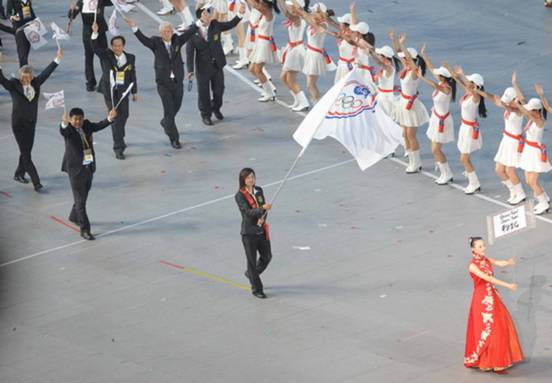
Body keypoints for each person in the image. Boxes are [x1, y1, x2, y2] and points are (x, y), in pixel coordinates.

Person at [126, 17, 198, 149]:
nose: (167, 33)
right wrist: (135, 28)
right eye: (165, 31)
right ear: (160, 33)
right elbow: (144, 40)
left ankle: (165, 122)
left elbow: (189, 33)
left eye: (169, 31)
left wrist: (199, 22)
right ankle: (174, 138)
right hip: (163, 83)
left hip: (177, 82)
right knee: (169, 111)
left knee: (176, 106)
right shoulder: (155, 43)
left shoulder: (177, 41)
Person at [0, 48, 63, 191]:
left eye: (28, 77)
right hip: (18, 125)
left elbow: (47, 73)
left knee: (26, 151)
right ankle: (36, 182)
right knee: (27, 155)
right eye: (23, 77)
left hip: (31, 123)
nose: (25, 79)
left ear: (32, 77)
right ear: (20, 76)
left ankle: (19, 173)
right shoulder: (13, 85)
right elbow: (1, 80)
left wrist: (57, 59)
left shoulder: (36, 84)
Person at [464, 237, 523, 374]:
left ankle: (496, 360)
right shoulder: (472, 266)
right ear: (473, 249)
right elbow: (488, 278)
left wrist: (508, 262)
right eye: (479, 246)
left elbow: (498, 262)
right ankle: (488, 361)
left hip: (492, 296)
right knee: (488, 329)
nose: (483, 248)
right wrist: (508, 285)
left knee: (500, 326)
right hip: (482, 300)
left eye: (483, 245)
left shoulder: (486, 260)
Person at [60, 107, 117, 240]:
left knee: (83, 195)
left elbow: (98, 126)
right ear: (70, 119)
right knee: (81, 203)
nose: (78, 122)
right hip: (75, 171)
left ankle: (73, 216)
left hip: (89, 167)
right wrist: (63, 123)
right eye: (75, 119)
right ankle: (85, 230)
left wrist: (109, 118)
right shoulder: (69, 130)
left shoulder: (87, 125)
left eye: (80, 119)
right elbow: (63, 130)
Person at [186, 2, 245, 125]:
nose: (209, 14)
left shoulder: (215, 25)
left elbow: (231, 24)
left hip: (217, 66)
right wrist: (190, 70)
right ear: (201, 15)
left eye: (210, 12)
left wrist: (240, 14)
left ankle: (216, 107)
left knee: (219, 91)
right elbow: (190, 53)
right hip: (202, 69)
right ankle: (205, 114)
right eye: (206, 12)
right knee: (204, 93)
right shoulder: (192, 31)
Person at [91, 22, 137, 160]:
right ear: (112, 46)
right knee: (115, 118)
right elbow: (94, 48)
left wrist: (134, 92)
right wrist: (95, 33)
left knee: (125, 116)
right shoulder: (106, 55)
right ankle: (118, 147)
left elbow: (132, 75)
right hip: (109, 92)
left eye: (120, 45)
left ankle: (120, 136)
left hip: (124, 92)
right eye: (115, 46)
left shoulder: (130, 58)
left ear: (123, 46)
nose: (117, 48)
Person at [475, 82, 526, 204]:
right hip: (506, 140)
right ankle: (512, 190)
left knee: (510, 170)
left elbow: (517, 104)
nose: (506, 103)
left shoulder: (520, 110)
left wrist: (515, 84)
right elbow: (494, 98)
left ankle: (520, 193)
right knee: (499, 169)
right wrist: (480, 92)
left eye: (509, 101)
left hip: (514, 142)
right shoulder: (509, 106)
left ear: (515, 99)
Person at [389, 31, 429, 173]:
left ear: (411, 59)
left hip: (411, 107)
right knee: (405, 134)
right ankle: (412, 160)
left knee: (411, 135)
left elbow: (407, 58)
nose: (403, 59)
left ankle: (416, 163)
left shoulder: (414, 71)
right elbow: (398, 52)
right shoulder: (406, 67)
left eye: (406, 58)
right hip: (403, 104)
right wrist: (394, 40)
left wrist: (402, 44)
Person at [445, 63, 488, 194]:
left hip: (470, 130)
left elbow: (470, 87)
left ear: (475, 85)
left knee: (463, 158)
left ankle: (474, 183)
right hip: (465, 128)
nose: (467, 84)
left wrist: (462, 74)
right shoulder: (469, 94)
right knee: (464, 158)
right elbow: (460, 83)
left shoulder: (475, 97)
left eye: (470, 82)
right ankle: (473, 181)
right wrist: (454, 73)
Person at [417, 45, 456, 184]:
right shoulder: (442, 82)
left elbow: (435, 85)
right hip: (436, 118)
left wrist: (422, 78)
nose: (436, 74)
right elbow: (432, 68)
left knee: (435, 149)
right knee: (435, 149)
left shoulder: (446, 88)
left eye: (439, 74)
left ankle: (447, 173)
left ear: (443, 77)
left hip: (443, 121)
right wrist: (423, 54)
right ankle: (445, 173)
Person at [235, 168, 273, 299]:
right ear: (243, 180)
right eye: (248, 178)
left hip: (261, 230)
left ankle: (251, 274)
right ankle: (257, 288)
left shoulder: (259, 191)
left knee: (267, 256)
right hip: (249, 232)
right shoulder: (239, 195)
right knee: (251, 260)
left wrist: (264, 213)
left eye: (253, 177)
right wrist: (262, 209)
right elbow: (247, 213)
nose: (251, 179)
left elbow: (263, 208)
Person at [516, 81, 552, 215]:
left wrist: (519, 106)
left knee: (532, 181)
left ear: (535, 111)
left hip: (536, 152)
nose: (528, 111)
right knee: (528, 180)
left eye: (530, 109)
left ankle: (543, 203)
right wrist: (541, 95)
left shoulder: (539, 121)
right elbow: (531, 109)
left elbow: (527, 113)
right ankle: (544, 198)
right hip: (528, 151)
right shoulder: (532, 118)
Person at [294, 1, 336, 103]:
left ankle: (317, 104)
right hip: (310, 54)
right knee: (310, 83)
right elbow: (305, 15)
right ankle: (316, 102)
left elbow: (306, 16)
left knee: (310, 84)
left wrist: (303, 12)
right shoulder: (314, 22)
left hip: (316, 56)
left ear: (320, 13)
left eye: (314, 12)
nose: (312, 13)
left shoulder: (324, 25)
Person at [68, 0, 113, 91]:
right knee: (89, 56)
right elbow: (72, 16)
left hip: (100, 31)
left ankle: (106, 80)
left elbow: (112, 2)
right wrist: (72, 10)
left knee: (104, 56)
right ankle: (90, 82)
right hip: (88, 33)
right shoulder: (81, 2)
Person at [277, 0, 309, 112]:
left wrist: (281, 2)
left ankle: (304, 102)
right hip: (292, 49)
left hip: (296, 51)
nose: (289, 8)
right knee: (283, 77)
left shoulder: (298, 19)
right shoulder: (295, 18)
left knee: (291, 79)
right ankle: (297, 99)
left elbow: (286, 13)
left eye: (291, 7)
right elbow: (287, 12)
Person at [246, 0, 279, 102]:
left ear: (266, 4)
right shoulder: (267, 11)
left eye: (261, 2)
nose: (259, 2)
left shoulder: (268, 12)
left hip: (264, 44)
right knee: (252, 68)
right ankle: (270, 89)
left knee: (258, 70)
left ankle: (270, 93)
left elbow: (255, 5)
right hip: (260, 42)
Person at [7, 0, 37, 66]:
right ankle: (23, 69)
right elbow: (8, 13)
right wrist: (12, 17)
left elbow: (30, 9)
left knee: (27, 47)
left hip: (29, 24)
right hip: (19, 26)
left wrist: (36, 20)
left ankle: (24, 66)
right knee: (22, 50)